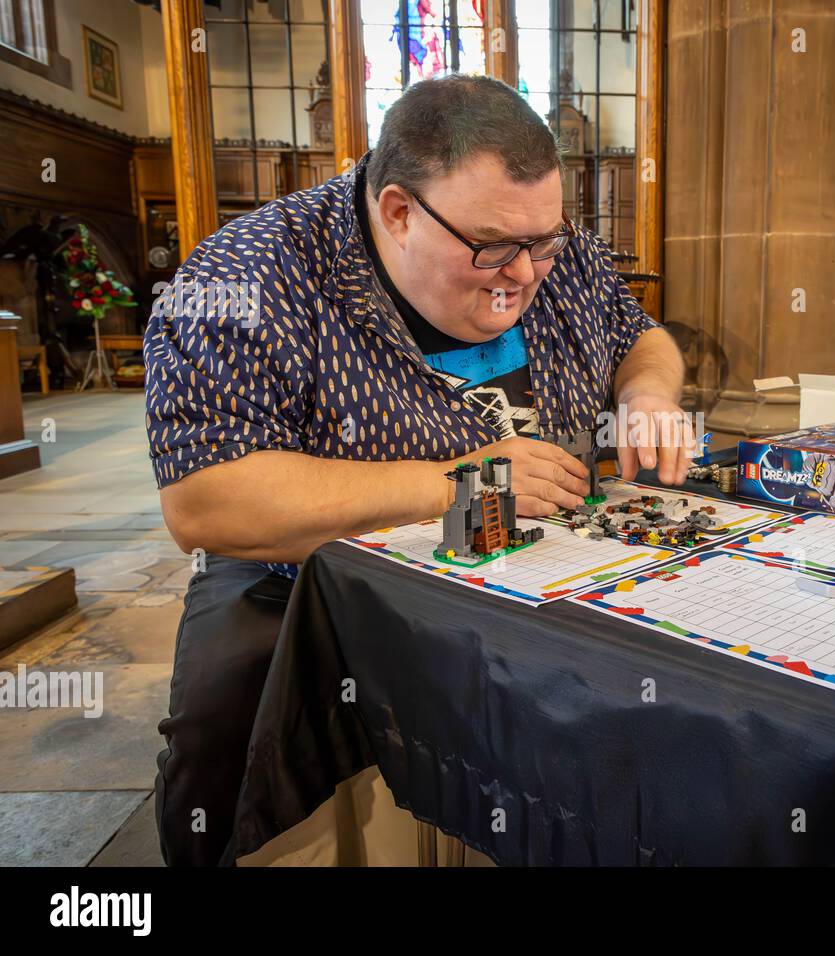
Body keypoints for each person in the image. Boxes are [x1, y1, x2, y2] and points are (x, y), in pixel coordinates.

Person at [145, 74, 692, 865]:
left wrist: (647, 392)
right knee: (229, 712)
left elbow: (639, 335)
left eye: (544, 244)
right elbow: (206, 500)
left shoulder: (540, 250)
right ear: (398, 212)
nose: (526, 275)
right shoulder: (248, 274)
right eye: (494, 250)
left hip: (544, 538)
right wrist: (458, 483)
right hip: (311, 567)